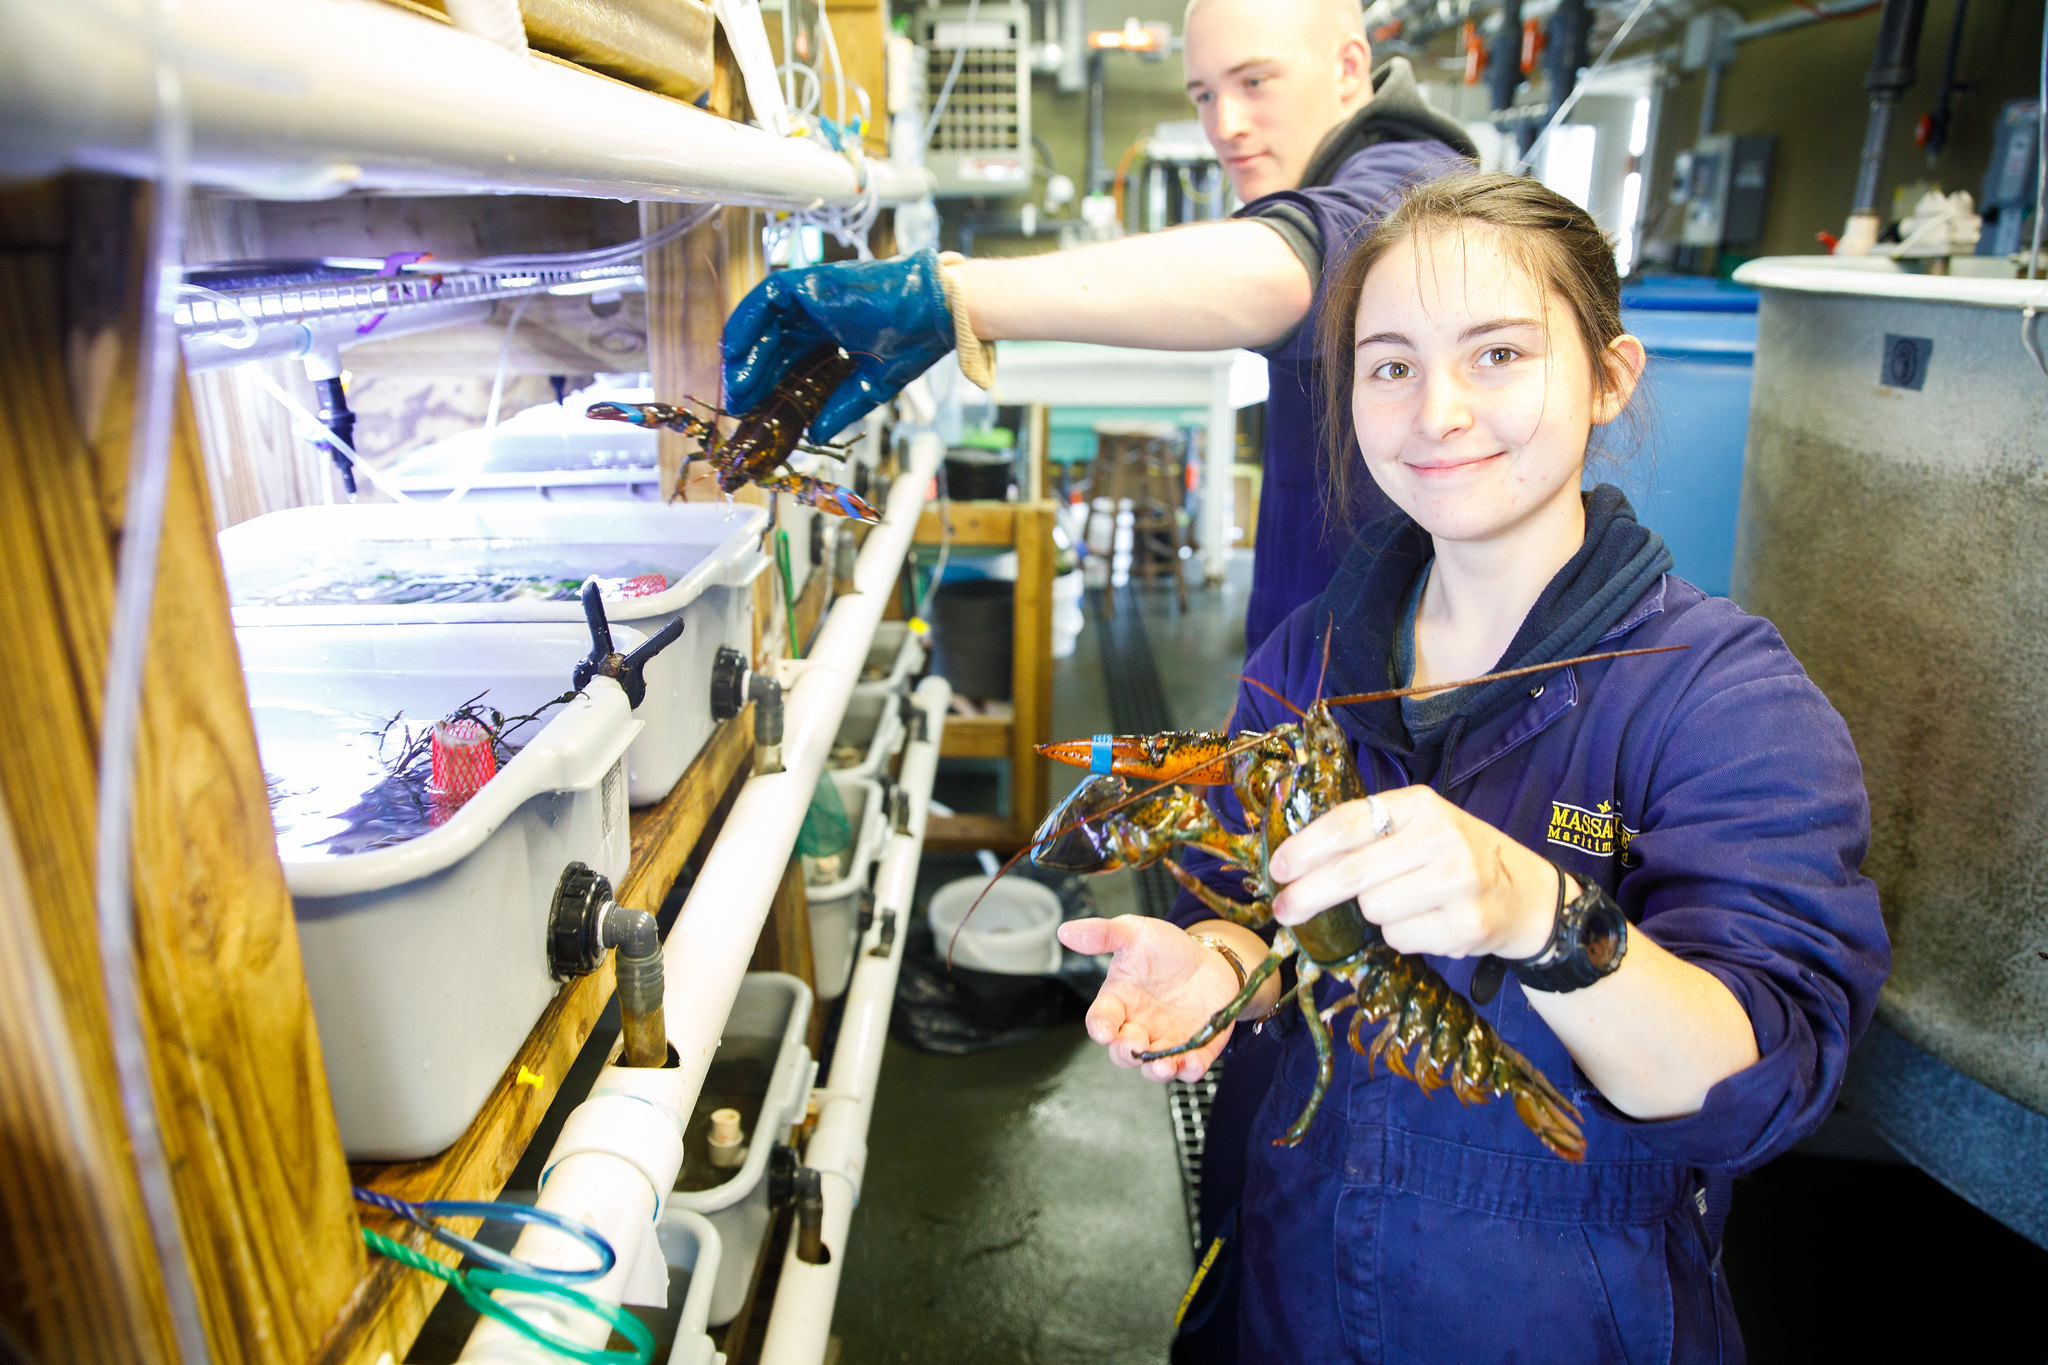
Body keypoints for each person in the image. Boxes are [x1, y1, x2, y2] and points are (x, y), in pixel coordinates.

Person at [1054, 172, 1892, 1362]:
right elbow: (1252, 912)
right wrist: (1215, 964)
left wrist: (1539, 913)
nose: (1434, 411)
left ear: (1608, 376)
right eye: (1387, 365)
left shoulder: (1725, 701)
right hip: (1291, 1282)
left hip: (1559, 1314)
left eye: (1496, 355)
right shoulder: (1312, 656)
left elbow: (1760, 1082)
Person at [721, 0, 1478, 652]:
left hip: (1391, 731)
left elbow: (1290, 268)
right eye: (1204, 95)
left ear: (1349, 69)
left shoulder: (1418, 188)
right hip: (1306, 683)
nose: (1226, 125)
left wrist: (955, 294)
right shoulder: (1340, 172)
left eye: (1254, 82)